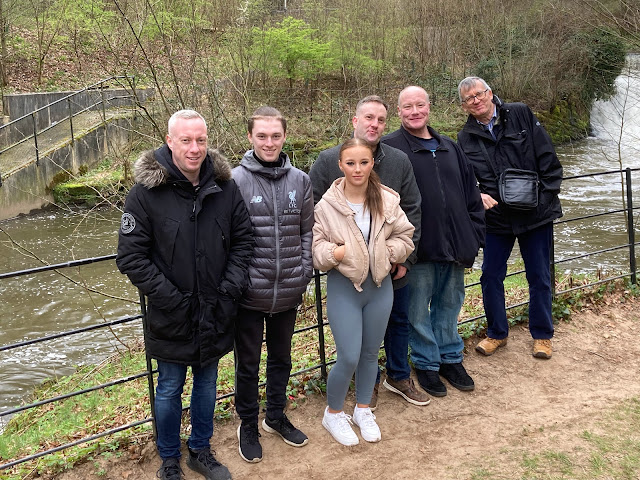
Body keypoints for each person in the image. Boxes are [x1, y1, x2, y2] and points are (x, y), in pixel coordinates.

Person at [116, 109, 253, 480]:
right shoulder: (144, 195)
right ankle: (169, 459)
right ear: (169, 141)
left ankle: (200, 450)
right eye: (186, 140)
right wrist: (173, 301)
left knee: (207, 384)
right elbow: (131, 258)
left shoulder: (225, 188)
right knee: (169, 388)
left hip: (216, 310)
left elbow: (243, 240)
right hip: (170, 315)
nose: (195, 148)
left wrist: (228, 290)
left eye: (201, 140)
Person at [309, 95, 428, 408]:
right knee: (356, 340)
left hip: (390, 266)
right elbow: (314, 212)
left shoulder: (399, 161)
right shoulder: (327, 160)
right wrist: (337, 254)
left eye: (380, 120)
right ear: (355, 120)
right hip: (346, 274)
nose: (374, 124)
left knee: (398, 320)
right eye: (368, 118)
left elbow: (412, 209)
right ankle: (368, 387)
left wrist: (403, 258)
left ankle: (399, 376)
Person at [381, 86, 485, 398]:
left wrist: (474, 234)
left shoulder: (450, 147)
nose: (415, 111)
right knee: (416, 310)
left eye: (420, 105)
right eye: (408, 106)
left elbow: (471, 194)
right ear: (399, 112)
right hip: (417, 248)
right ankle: (426, 362)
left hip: (455, 244)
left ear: (429, 107)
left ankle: (450, 358)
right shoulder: (391, 149)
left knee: (449, 304)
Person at [313, 138, 415, 445]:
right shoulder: (326, 206)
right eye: (351, 163)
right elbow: (316, 250)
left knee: (370, 354)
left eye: (364, 162)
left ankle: (362, 410)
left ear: (372, 164)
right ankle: (333, 413)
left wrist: (388, 252)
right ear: (340, 165)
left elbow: (405, 237)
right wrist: (338, 253)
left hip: (380, 287)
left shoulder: (387, 200)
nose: (357, 169)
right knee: (348, 356)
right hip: (344, 287)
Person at [456, 76, 563, 359]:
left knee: (539, 275)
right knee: (490, 275)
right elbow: (465, 180)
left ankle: (542, 335)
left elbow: (547, 157)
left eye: (479, 94)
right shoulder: (465, 138)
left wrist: (544, 198)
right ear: (464, 106)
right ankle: (497, 333)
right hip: (496, 218)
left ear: (490, 93)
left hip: (535, 214)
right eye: (469, 99)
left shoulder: (520, 114)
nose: (476, 101)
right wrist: (477, 195)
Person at [232, 106, 314, 463]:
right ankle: (248, 424)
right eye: (262, 136)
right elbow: (227, 238)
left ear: (284, 136)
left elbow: (308, 231)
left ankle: (276, 415)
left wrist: (304, 271)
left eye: (275, 136)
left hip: (289, 289)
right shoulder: (234, 180)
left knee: (281, 358)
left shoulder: (301, 180)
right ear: (250, 136)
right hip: (249, 293)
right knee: (248, 364)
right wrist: (239, 280)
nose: (269, 142)